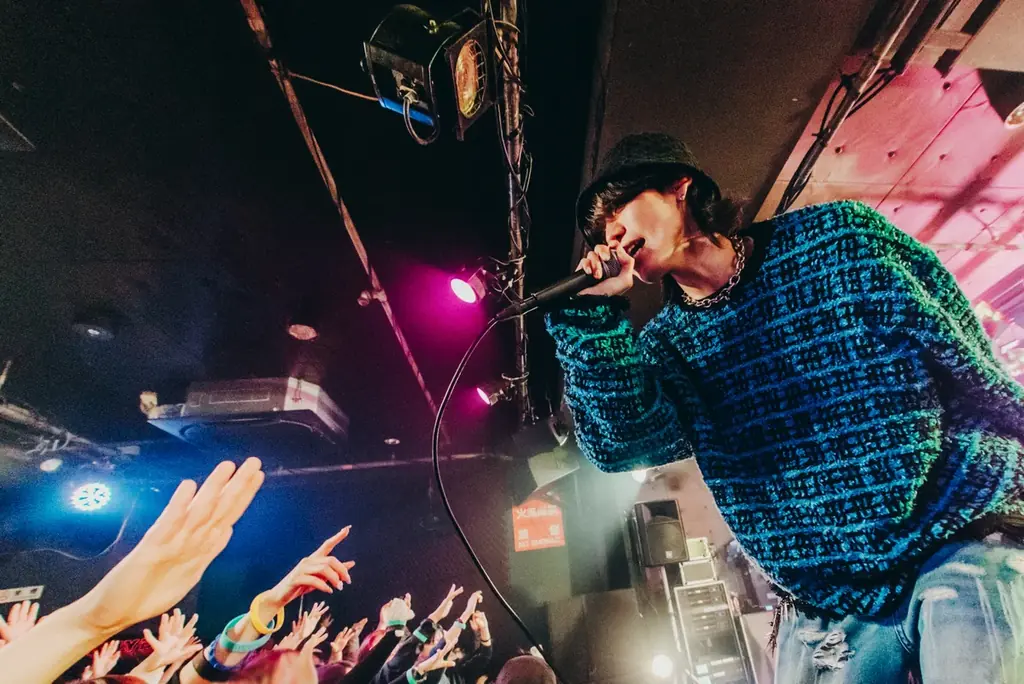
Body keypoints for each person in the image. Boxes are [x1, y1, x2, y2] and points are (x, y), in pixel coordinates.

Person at [546, 132, 1024, 683]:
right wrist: (591, 321)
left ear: (679, 186)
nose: (612, 235)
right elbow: (621, 446)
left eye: (619, 210)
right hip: (825, 599)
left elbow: (960, 353)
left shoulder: (838, 238)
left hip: (951, 534)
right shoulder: (667, 347)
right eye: (602, 231)